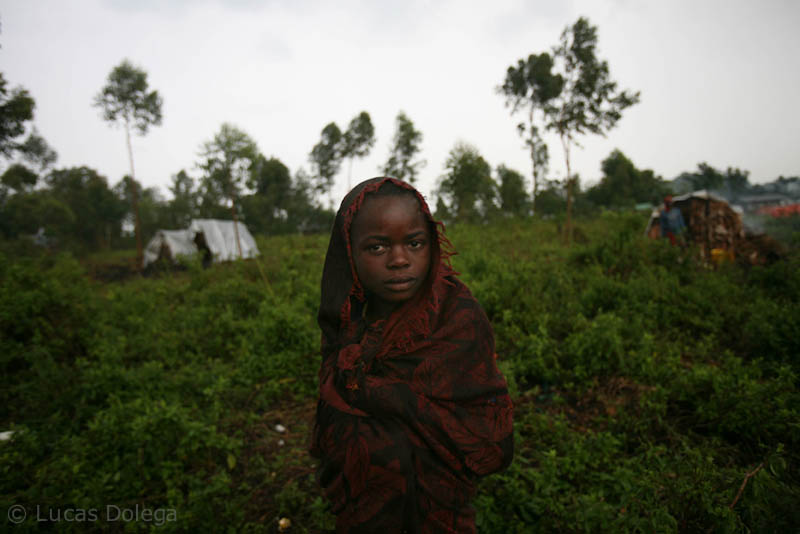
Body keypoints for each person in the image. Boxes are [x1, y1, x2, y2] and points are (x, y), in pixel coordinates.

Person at [311, 177, 514, 533]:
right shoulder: (348, 318)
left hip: (440, 510)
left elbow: (484, 422)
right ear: (349, 252)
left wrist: (385, 398)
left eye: (415, 243)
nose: (400, 260)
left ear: (431, 244)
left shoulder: (457, 316)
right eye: (377, 248)